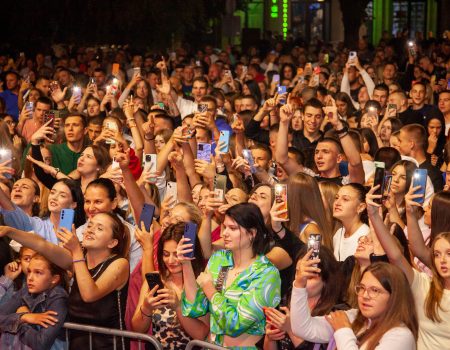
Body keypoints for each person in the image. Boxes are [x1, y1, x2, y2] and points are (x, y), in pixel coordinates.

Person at [178, 203, 281, 349]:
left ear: (252, 233)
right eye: (224, 227)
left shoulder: (266, 273)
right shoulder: (219, 259)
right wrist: (186, 264)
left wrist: (210, 290)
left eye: (232, 228)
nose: (224, 233)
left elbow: (234, 324)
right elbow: (195, 308)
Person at [366, 186, 450, 349]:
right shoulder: (424, 285)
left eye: (449, 253)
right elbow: (395, 256)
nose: (442, 260)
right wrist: (374, 215)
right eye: (437, 254)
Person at [290, 260, 418, 349]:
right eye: (362, 288)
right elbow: (303, 328)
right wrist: (300, 285)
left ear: (394, 296)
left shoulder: (400, 335)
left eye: (375, 290)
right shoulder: (353, 316)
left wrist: (344, 331)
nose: (365, 295)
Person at [131, 223, 209, 349]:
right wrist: (146, 308)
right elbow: (137, 330)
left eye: (177, 254)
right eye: (166, 254)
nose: (171, 261)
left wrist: (178, 307)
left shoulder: (203, 283)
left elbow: (201, 334)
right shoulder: (156, 280)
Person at [264, 245, 342, 350]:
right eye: (298, 273)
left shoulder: (336, 313)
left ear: (326, 280)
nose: (301, 280)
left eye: (309, 277)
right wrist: (270, 338)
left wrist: (290, 330)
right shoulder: (287, 300)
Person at [0, 253, 69, 350]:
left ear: (54, 279)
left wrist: (20, 322)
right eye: (29, 271)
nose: (30, 278)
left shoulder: (58, 298)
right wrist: (24, 317)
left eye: (38, 272)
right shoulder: (25, 291)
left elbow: (41, 343)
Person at [333, 183, 370, 261]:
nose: (337, 203)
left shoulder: (366, 236)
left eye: (345, 199)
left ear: (361, 207)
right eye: (336, 198)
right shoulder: (338, 233)